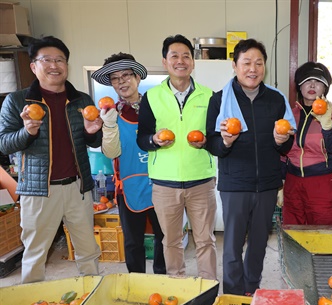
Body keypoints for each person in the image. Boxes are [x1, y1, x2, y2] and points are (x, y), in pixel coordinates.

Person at [0, 36, 101, 283]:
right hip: (38, 192)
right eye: (46, 60)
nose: (54, 65)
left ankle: (92, 298)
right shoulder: (17, 101)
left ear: (66, 65)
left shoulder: (82, 101)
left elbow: (94, 143)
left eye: (60, 60)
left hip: (78, 188)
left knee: (88, 252)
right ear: (34, 66)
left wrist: (92, 132)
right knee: (35, 254)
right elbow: (3, 143)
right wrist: (28, 132)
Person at [205, 39, 295, 295]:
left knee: (258, 244)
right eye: (246, 63)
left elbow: (286, 146)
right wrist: (224, 142)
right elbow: (211, 144)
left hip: (267, 184)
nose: (252, 68)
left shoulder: (276, 100)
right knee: (232, 246)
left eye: (258, 63)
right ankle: (233, 297)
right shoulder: (220, 100)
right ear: (234, 66)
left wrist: (282, 141)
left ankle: (251, 290)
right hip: (235, 184)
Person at [136, 35, 217, 280]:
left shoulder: (209, 96)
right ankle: (177, 286)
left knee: (205, 240)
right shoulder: (151, 97)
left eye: (186, 56)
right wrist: (154, 140)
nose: (180, 61)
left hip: (201, 180)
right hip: (164, 183)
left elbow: (216, 138)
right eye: (174, 56)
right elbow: (142, 138)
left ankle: (208, 287)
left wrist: (206, 141)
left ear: (193, 62)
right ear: (165, 61)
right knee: (170, 241)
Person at [91, 53, 166, 274]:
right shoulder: (110, 114)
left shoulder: (157, 108)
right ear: (111, 84)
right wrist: (110, 125)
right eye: (115, 78)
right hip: (128, 186)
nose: (122, 81)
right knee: (133, 241)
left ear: (137, 78)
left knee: (165, 236)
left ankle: (162, 277)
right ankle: (137, 281)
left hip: (161, 183)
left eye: (126, 75)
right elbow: (111, 151)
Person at [282, 62, 332, 225]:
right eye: (307, 80)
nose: (312, 85)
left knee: (324, 233)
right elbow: (282, 151)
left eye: (318, 81)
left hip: (322, 183)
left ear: (325, 88)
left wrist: (327, 124)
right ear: (299, 86)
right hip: (293, 182)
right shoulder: (290, 113)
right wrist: (279, 183)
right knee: (293, 233)